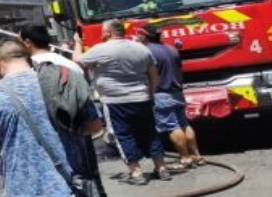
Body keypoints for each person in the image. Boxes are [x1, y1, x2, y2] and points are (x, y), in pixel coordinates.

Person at [73, 19, 170, 186]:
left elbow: (77, 61)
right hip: (142, 98)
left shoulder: (101, 49)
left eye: (103, 31)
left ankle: (136, 172)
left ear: (108, 32)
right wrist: (151, 93)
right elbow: (154, 74)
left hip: (115, 101)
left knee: (123, 134)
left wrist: (77, 43)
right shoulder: (141, 48)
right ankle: (161, 168)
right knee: (150, 133)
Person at [0, 38, 75, 197]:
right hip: (68, 181)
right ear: (28, 58)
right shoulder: (60, 80)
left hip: (21, 187)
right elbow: (93, 126)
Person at [19, 25, 107, 196]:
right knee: (87, 184)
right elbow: (92, 120)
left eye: (19, 41)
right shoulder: (69, 65)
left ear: (28, 42)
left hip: (42, 151)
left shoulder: (26, 71)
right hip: (78, 143)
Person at [135, 24, 205, 169]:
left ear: (144, 36)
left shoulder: (147, 51)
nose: (137, 37)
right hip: (177, 92)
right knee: (184, 124)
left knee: (172, 126)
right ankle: (197, 156)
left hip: (161, 94)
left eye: (138, 34)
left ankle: (185, 158)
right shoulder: (171, 49)